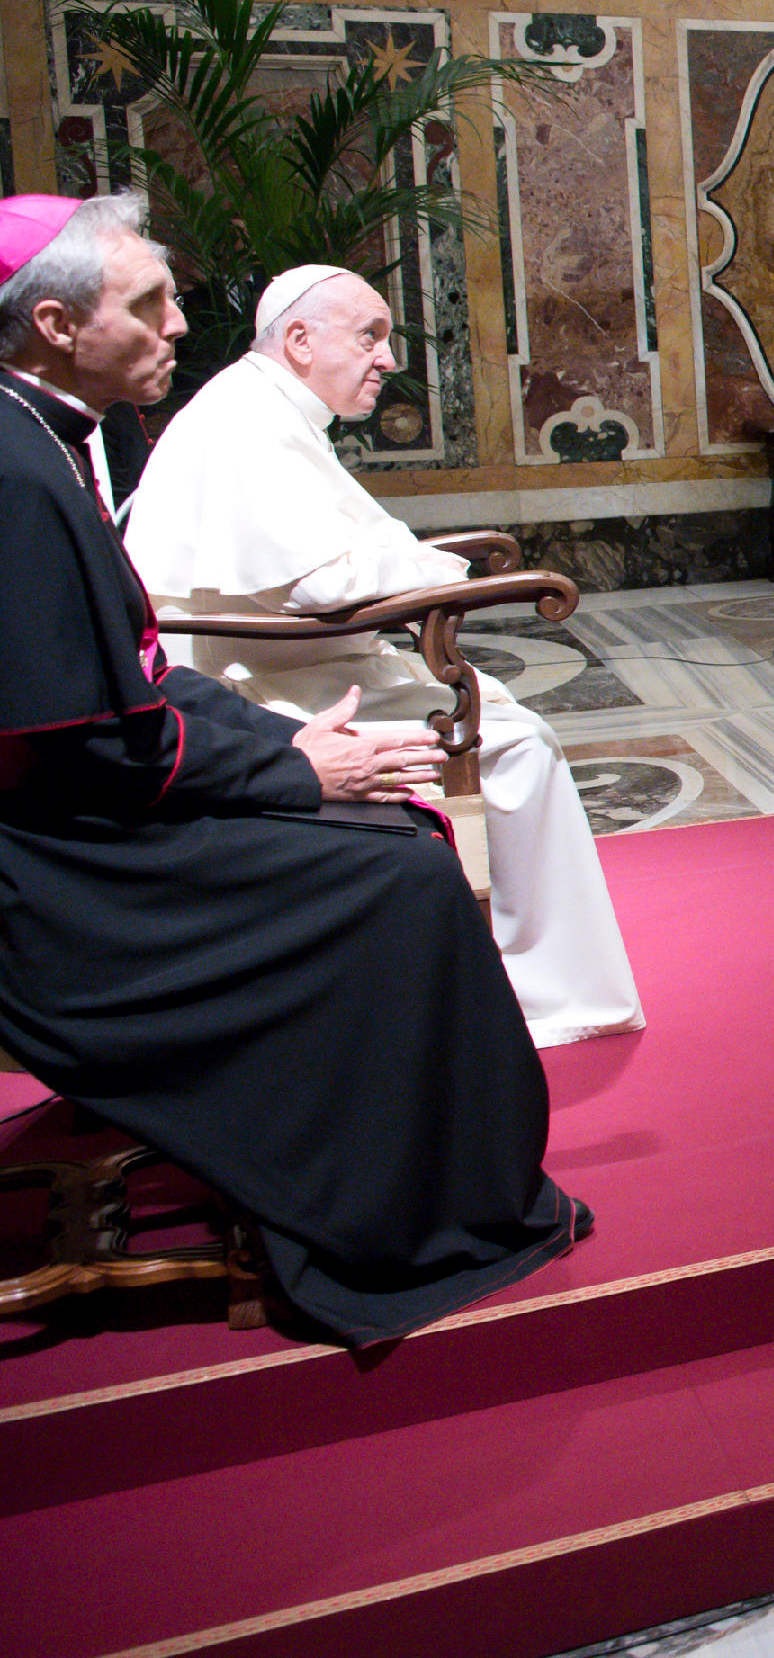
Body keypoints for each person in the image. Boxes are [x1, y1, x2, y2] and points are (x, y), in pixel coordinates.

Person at [0, 192, 586, 1344]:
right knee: (400, 876)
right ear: (59, 326)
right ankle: (397, 1215)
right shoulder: (17, 475)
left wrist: (286, 749)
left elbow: (131, 680)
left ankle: (402, 1181)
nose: (181, 323)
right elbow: (80, 738)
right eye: (150, 303)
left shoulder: (45, 437)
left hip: (81, 817)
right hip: (55, 876)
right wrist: (294, 774)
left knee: (398, 836)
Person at [126, 264, 642, 1050]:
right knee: (518, 746)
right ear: (300, 340)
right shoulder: (248, 419)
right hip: (260, 690)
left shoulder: (267, 407)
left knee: (508, 722)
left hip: (299, 666)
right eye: (370, 335)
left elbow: (332, 560)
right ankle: (542, 995)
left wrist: (429, 566)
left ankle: (511, 977)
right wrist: (442, 571)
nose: (389, 359)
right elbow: (320, 582)